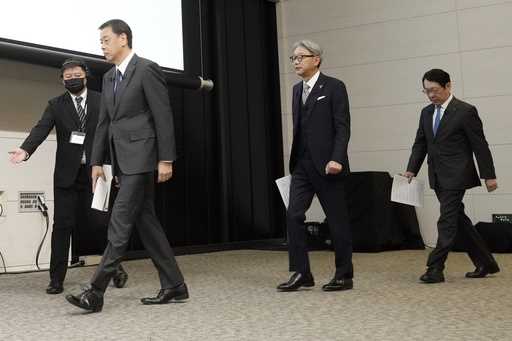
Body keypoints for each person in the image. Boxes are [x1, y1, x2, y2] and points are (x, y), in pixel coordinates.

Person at [66, 19, 187, 313]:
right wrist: (97, 162)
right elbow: (104, 123)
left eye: (106, 40)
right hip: (120, 160)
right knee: (147, 223)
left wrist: (166, 158)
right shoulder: (108, 78)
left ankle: (95, 291)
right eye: (101, 42)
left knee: (120, 221)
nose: (102, 46)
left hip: (143, 158)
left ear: (123, 39)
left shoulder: (147, 69)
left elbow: (163, 116)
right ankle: (175, 285)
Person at [8, 59, 128, 294]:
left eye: (76, 74)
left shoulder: (102, 100)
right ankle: (56, 279)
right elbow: (41, 128)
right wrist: (25, 149)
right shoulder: (55, 104)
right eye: (67, 76)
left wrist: (118, 168)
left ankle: (114, 268)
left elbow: (115, 135)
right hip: (66, 176)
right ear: (62, 80)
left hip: (98, 172)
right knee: (62, 226)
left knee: (101, 224)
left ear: (86, 75)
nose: (72, 78)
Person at [404, 68, 500, 284]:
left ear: (448, 86)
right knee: (458, 219)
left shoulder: (465, 111)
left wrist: (489, 176)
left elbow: (480, 145)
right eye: (426, 91)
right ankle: (485, 262)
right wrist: (411, 169)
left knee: (446, 220)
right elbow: (421, 143)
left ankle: (435, 267)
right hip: (437, 175)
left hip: (458, 174)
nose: (431, 95)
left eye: (435, 90)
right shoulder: (426, 113)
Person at [277, 40, 353, 292]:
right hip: (302, 165)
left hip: (329, 165)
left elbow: (342, 126)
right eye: (293, 58)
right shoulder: (297, 90)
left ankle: (344, 275)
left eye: (301, 57)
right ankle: (302, 272)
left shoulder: (334, 87)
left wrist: (337, 158)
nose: (296, 62)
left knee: (336, 220)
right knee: (293, 215)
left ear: (316, 59)